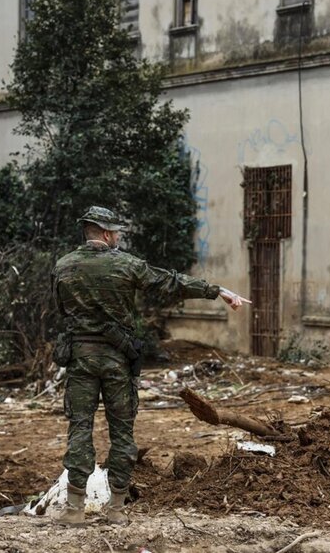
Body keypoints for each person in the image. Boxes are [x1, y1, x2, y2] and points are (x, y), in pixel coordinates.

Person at [51, 206, 249, 526]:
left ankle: (74, 509)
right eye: (114, 232)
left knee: (79, 430)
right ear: (104, 233)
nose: (117, 237)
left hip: (80, 360)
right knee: (122, 434)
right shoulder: (126, 265)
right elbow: (170, 283)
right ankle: (115, 509)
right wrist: (218, 291)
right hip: (117, 362)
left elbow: (62, 310)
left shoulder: (63, 266)